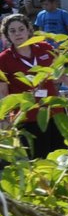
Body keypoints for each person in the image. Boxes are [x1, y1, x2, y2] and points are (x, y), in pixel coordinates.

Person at [0, 13, 64, 158]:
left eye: (21, 29)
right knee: (39, 161)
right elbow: (2, 92)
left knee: (62, 158)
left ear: (29, 30)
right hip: (27, 118)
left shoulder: (44, 47)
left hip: (54, 112)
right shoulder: (3, 59)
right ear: (7, 35)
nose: (18, 34)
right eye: (12, 31)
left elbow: (58, 75)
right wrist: (3, 117)